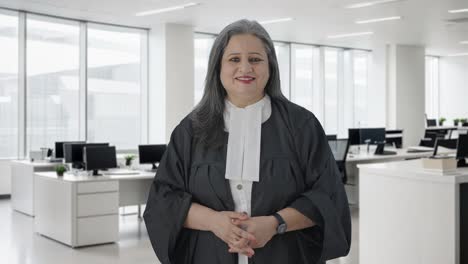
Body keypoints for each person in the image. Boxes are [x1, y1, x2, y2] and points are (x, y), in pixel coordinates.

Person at [143, 19, 351, 264]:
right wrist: (214, 222)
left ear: (270, 66)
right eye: (234, 59)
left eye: (255, 59)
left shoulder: (301, 126)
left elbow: (327, 197)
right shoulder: (191, 130)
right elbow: (163, 201)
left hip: (285, 255)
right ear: (217, 67)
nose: (245, 68)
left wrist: (276, 224)